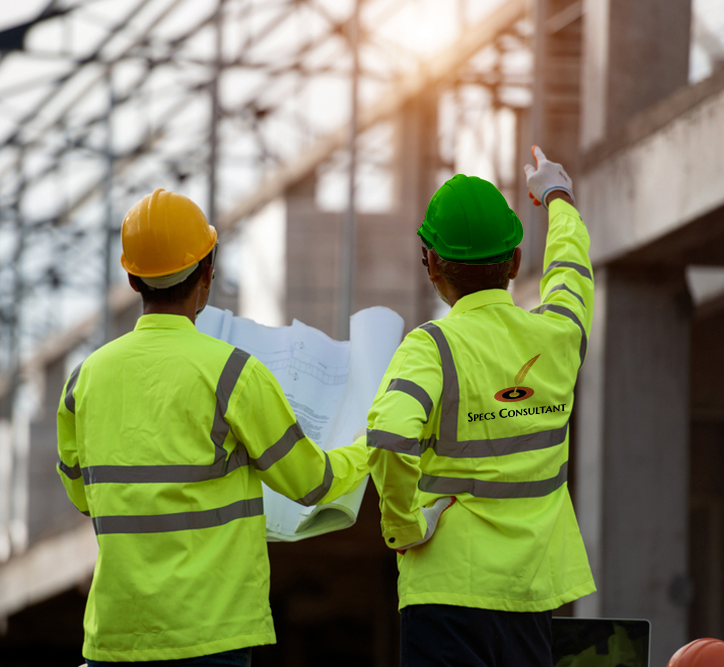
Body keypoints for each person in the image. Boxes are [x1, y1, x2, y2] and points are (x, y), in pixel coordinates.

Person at [56, 188, 369, 666]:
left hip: (116, 639)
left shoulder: (85, 380)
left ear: (133, 279)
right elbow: (311, 483)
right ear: (208, 272)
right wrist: (367, 446)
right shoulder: (233, 374)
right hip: (211, 637)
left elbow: (84, 497)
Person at [365, 147, 596, 667]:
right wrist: (557, 196)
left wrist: (404, 526)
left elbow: (388, 438)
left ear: (430, 264)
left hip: (444, 596)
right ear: (516, 262)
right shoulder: (558, 337)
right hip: (529, 593)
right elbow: (571, 273)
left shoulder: (430, 348)